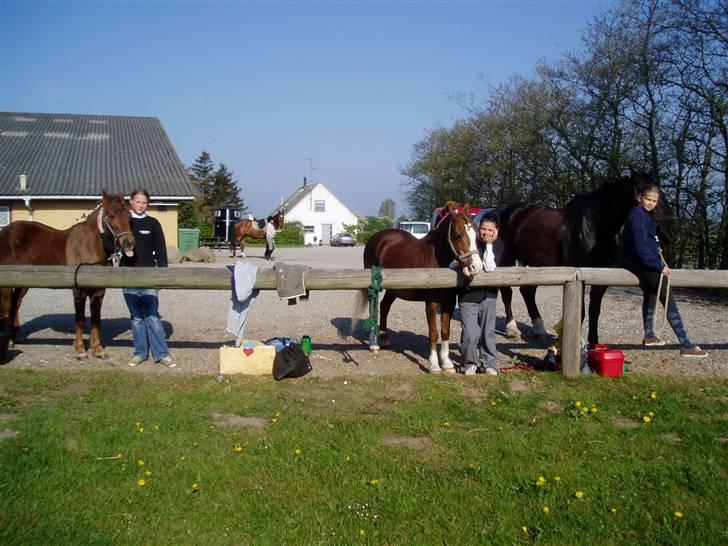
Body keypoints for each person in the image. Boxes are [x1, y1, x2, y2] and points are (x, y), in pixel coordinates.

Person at [620, 181, 707, 358]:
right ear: (639, 198)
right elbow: (641, 247)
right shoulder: (638, 216)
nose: (651, 203)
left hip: (643, 263)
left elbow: (648, 245)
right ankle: (686, 344)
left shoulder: (643, 215)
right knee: (668, 300)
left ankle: (649, 335)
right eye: (648, 199)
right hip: (642, 264)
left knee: (651, 295)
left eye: (654, 200)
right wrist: (659, 266)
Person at [111, 188, 175, 368]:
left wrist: (162, 274)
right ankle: (140, 353)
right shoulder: (124, 222)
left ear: (148, 204)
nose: (141, 205)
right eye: (138, 202)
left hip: (149, 276)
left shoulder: (153, 223)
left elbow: (161, 250)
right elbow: (111, 243)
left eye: (144, 202)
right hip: (128, 276)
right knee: (136, 318)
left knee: (153, 317)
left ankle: (161, 353)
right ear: (131, 202)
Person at [458, 212, 504, 375]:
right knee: (470, 333)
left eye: (490, 230)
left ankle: (489, 363)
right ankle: (469, 362)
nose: (485, 232)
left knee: (488, 332)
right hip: (468, 295)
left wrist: (490, 244)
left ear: (496, 231)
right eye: (483, 229)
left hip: (489, 295)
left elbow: (490, 267)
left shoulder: (498, 246)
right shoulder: (471, 242)